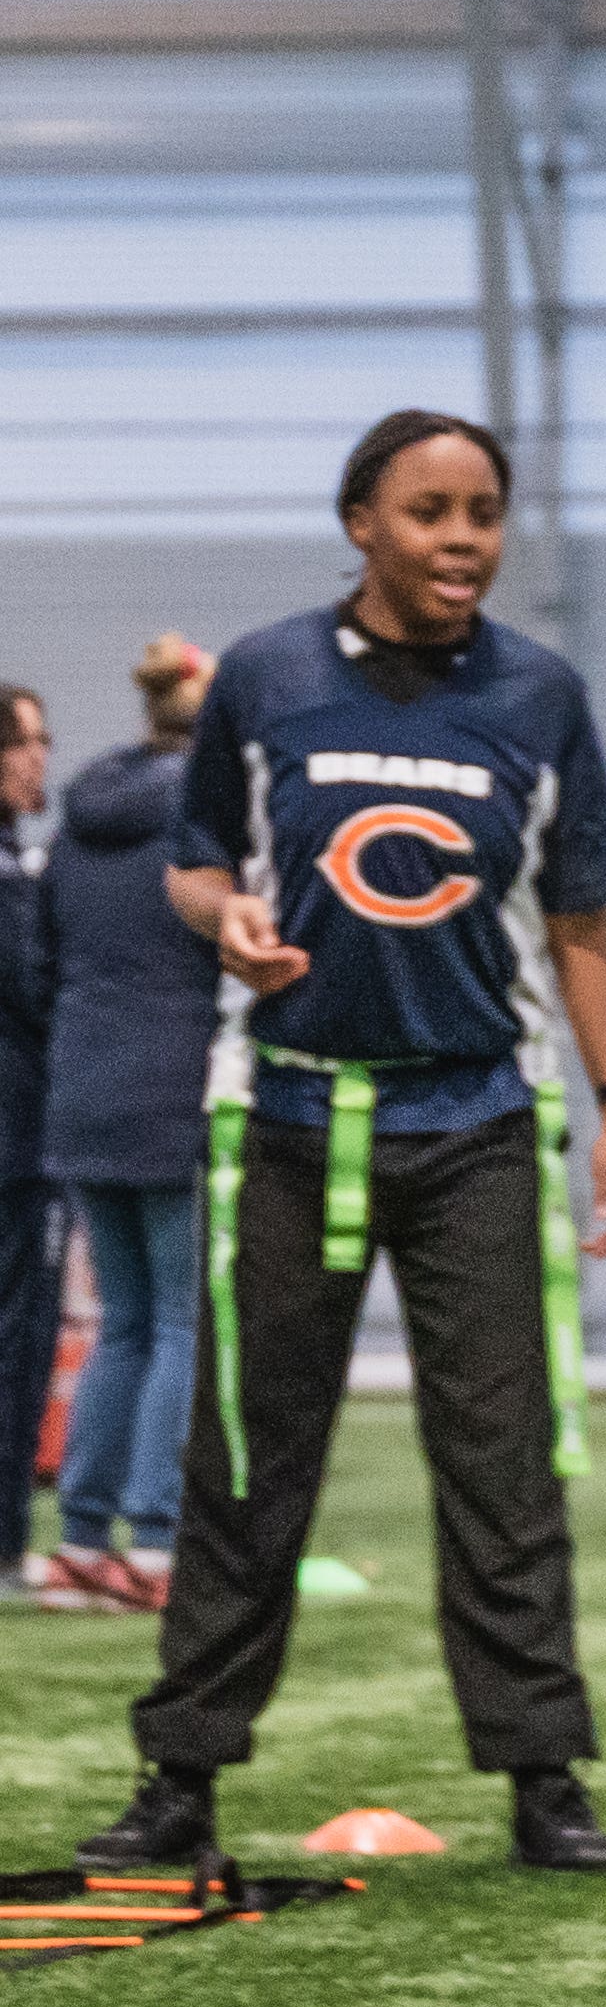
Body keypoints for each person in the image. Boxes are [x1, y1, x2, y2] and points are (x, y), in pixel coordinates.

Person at [77, 412, 606, 1876]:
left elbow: (579, 919)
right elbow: (200, 862)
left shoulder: (541, 693)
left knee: (504, 1462)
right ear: (360, 523)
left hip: (475, 1126)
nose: (463, 539)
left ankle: (543, 1772)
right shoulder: (265, 678)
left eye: (483, 512)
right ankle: (182, 1774)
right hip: (284, 1117)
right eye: (430, 511)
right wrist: (229, 920)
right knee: (248, 1460)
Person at [38, 638, 221, 1613]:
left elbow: (42, 958)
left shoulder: (78, 824)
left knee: (120, 1327)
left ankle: (77, 1541)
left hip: (81, 1091)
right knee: (178, 1322)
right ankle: (154, 1546)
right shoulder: (207, 822)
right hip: (173, 1095)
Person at [0, 683, 52, 1595]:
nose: (40, 758)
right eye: (27, 744)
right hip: (13, 1143)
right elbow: (33, 986)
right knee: (15, 1337)